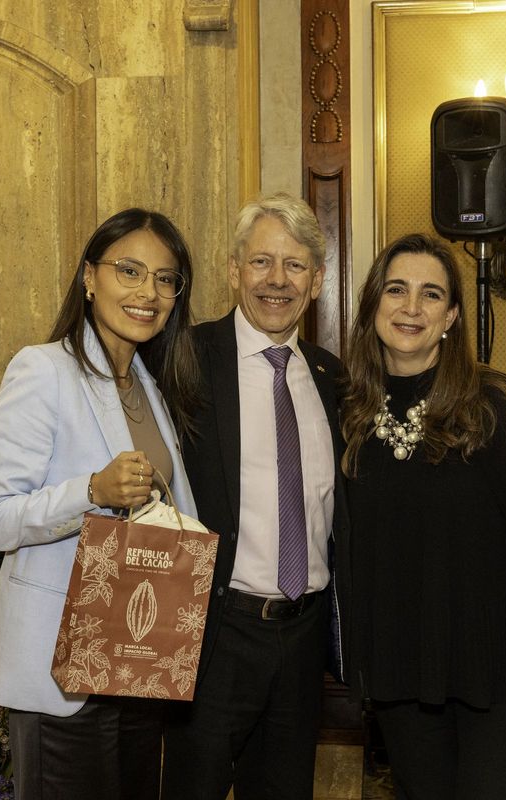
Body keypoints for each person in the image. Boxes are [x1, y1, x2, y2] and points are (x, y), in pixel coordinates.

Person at [0, 208, 200, 800]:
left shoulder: (150, 384)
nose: (148, 292)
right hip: (62, 672)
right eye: (130, 271)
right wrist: (91, 492)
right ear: (90, 277)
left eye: (165, 279)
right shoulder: (43, 370)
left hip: (138, 663)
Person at [340, 232, 506, 799]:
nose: (411, 307)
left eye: (431, 294)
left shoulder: (494, 405)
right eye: (396, 289)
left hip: (497, 669)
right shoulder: (349, 412)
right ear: (372, 305)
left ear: (451, 317)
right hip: (400, 666)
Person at [162, 193, 347, 799]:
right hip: (216, 634)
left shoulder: (333, 378)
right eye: (262, 261)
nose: (277, 280)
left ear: (317, 280)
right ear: (233, 269)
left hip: (304, 637)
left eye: (295, 265)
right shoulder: (184, 360)